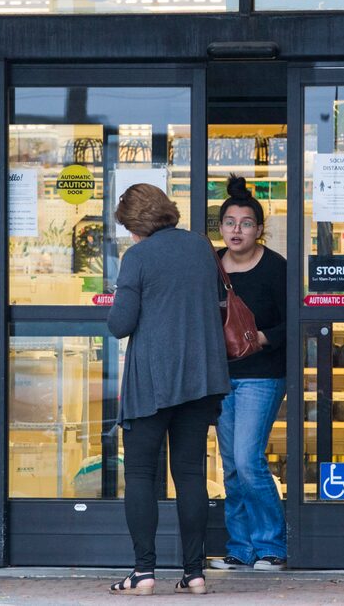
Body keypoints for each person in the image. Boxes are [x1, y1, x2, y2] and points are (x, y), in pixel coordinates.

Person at [107, 183, 230, 596]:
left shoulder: (137, 257)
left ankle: (143, 572)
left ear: (135, 223)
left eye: (127, 226)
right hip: (200, 376)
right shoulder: (200, 247)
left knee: (141, 473)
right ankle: (194, 572)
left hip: (153, 380)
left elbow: (121, 324)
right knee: (191, 472)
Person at [209, 175, 288, 571]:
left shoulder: (276, 268)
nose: (236, 230)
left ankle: (272, 544)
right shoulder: (211, 265)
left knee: (247, 457)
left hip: (263, 373)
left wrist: (263, 338)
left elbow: (296, 322)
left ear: (259, 229)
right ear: (220, 227)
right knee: (231, 464)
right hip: (221, 375)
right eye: (229, 222)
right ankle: (240, 548)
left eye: (245, 223)